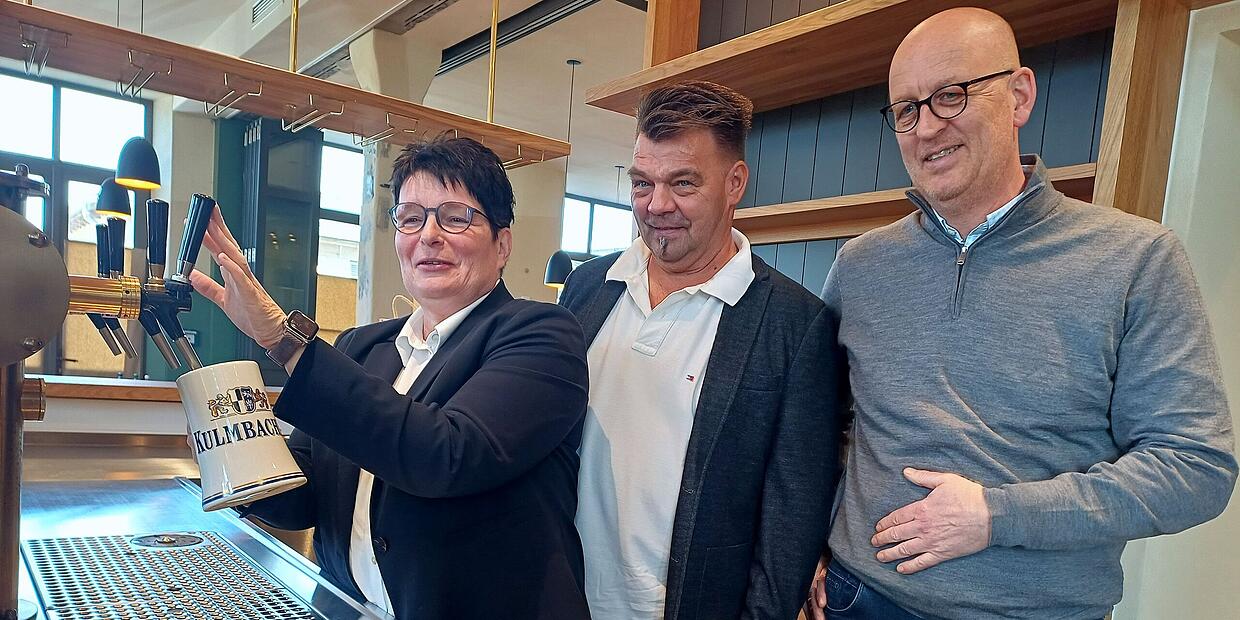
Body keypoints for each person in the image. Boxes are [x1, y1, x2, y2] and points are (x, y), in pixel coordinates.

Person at [804, 8, 1237, 620]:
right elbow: (816, 428)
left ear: (1019, 95)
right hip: (858, 599)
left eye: (950, 96)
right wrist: (809, 550)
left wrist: (996, 514)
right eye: (906, 109)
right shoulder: (861, 265)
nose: (926, 128)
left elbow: (1196, 467)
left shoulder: (1137, 258)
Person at [189, 137, 592, 619]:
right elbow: (306, 497)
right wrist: (231, 449)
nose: (429, 235)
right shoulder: (360, 347)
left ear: (502, 244)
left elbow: (446, 454)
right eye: (411, 217)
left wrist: (284, 339)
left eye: (455, 217)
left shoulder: (543, 335)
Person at [559, 80, 845, 620]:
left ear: (735, 183)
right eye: (642, 183)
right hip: (562, 595)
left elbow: (792, 519)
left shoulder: (794, 324)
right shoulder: (588, 287)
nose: (657, 205)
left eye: (683, 183)